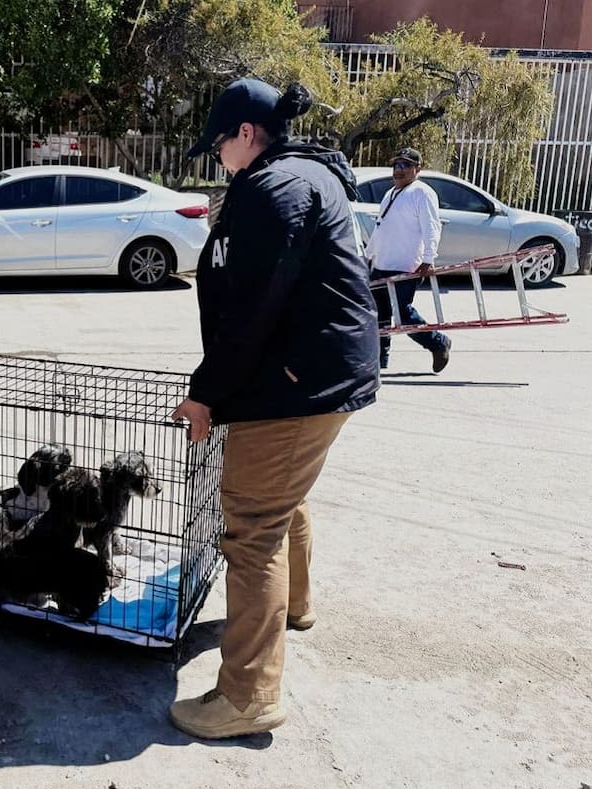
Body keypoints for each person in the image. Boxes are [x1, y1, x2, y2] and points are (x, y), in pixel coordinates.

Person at [170, 78, 380, 738]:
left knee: (253, 522)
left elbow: (251, 309)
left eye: (219, 146)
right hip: (313, 377)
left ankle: (248, 697)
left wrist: (206, 393)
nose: (218, 159)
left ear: (246, 135)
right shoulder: (292, 178)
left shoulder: (276, 187)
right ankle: (296, 605)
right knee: (281, 497)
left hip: (295, 384)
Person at [365, 147, 451, 372]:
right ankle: (379, 361)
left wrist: (429, 257)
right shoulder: (390, 193)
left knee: (403, 315)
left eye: (405, 166)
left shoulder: (422, 192)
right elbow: (380, 227)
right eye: (396, 165)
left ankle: (438, 343)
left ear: (417, 169)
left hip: (405, 265)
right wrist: (367, 256)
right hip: (382, 263)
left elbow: (432, 227)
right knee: (379, 316)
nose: (398, 170)